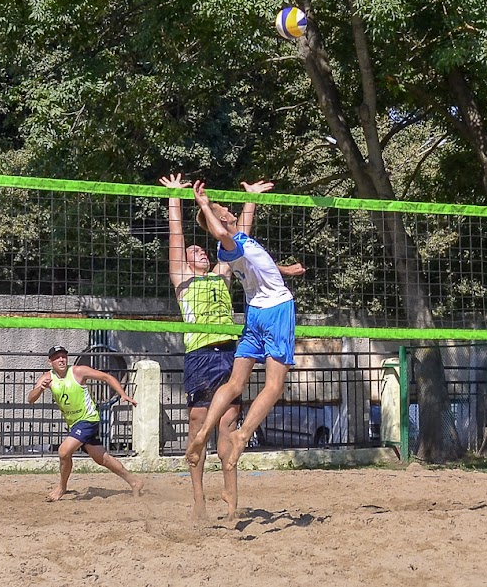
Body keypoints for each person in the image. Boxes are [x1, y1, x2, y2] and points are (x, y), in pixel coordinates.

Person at [159, 173, 304, 520]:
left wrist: (248, 200)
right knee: (198, 422)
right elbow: (178, 237)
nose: (197, 251)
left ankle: (232, 505)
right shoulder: (183, 278)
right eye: (193, 250)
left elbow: (242, 233)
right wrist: (176, 198)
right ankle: (198, 502)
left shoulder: (222, 273)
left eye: (200, 248)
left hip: (228, 348)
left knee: (228, 423)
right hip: (200, 353)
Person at [183, 179, 297, 485]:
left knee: (235, 384)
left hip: (254, 314)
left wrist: (251, 199)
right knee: (273, 386)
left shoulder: (235, 245)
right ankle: (243, 435)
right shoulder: (228, 244)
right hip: (276, 311)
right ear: (221, 219)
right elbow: (222, 230)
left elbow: (241, 234)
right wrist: (204, 203)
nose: (230, 210)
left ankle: (204, 432)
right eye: (226, 209)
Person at [28, 346, 145, 502]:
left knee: (64, 452)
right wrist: (40, 389)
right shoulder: (47, 378)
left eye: (64, 356)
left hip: (88, 419)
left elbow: (106, 377)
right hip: (75, 423)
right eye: (57, 357)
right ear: (50, 362)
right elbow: (30, 399)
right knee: (102, 459)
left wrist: (123, 394)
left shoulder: (77, 371)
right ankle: (134, 482)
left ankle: (61, 488)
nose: (61, 359)